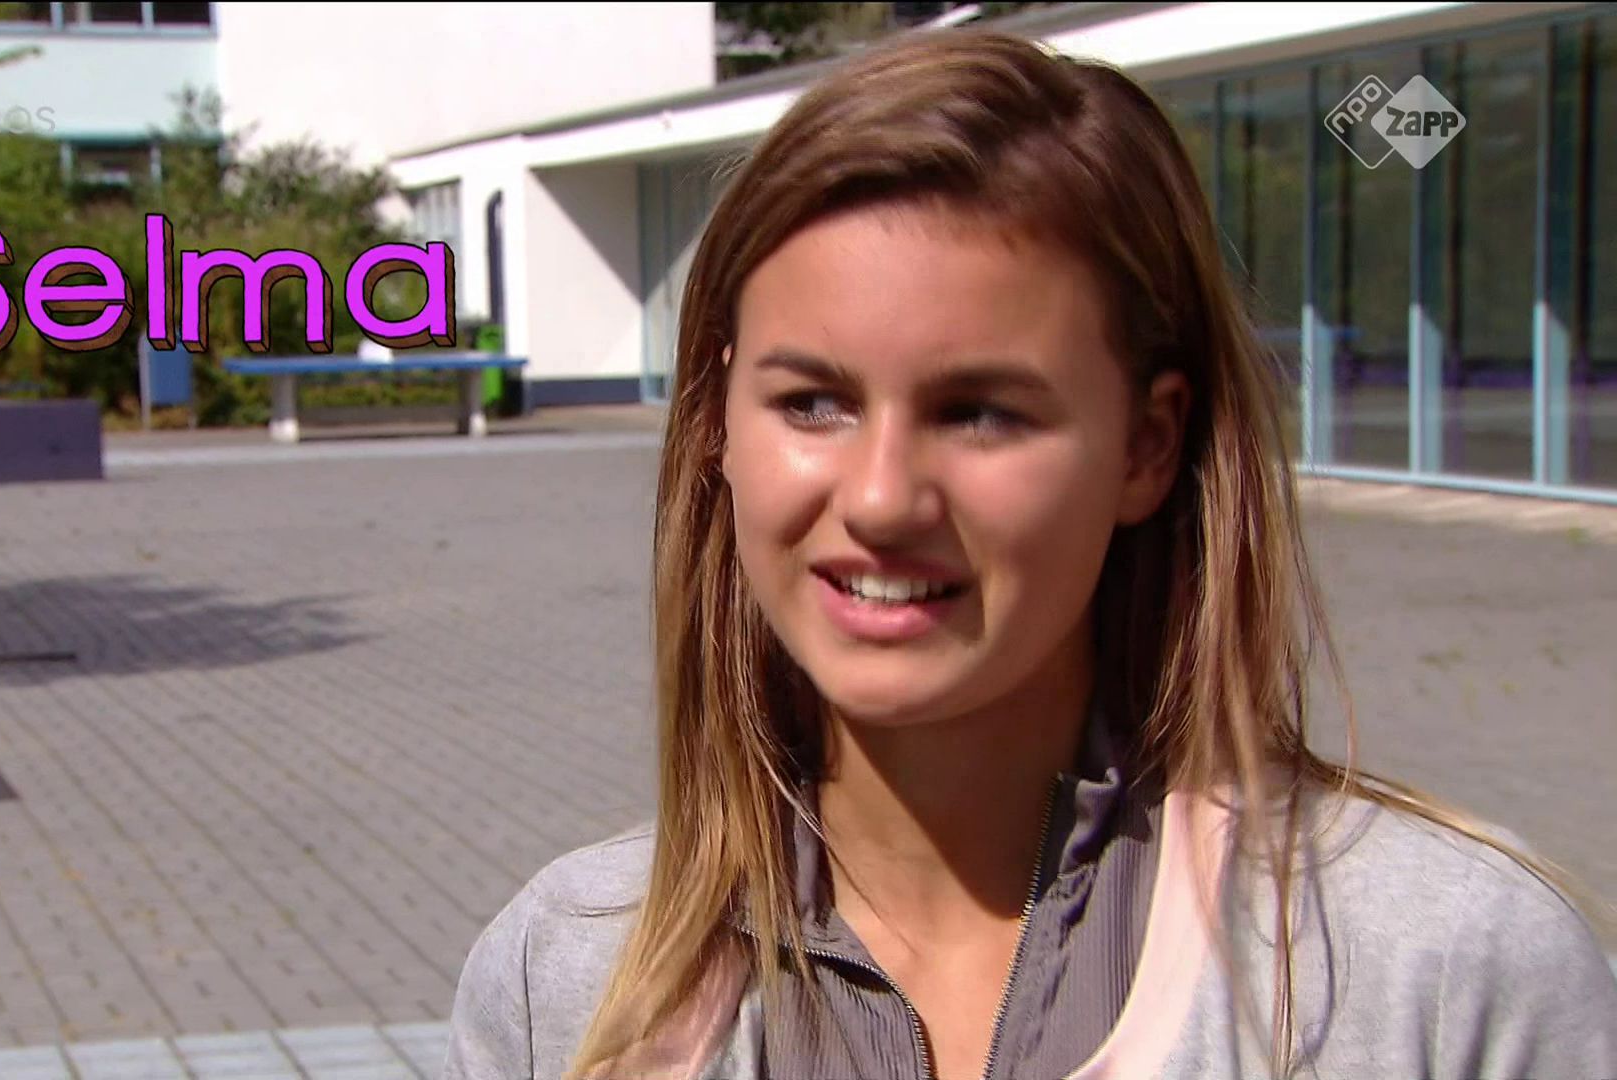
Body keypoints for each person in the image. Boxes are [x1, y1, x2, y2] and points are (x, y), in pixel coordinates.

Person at [439, 27, 1617, 1080]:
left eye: (981, 413)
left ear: (1146, 446)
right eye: (811, 403)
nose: (882, 497)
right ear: (716, 427)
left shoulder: (1444, 976)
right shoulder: (568, 981)